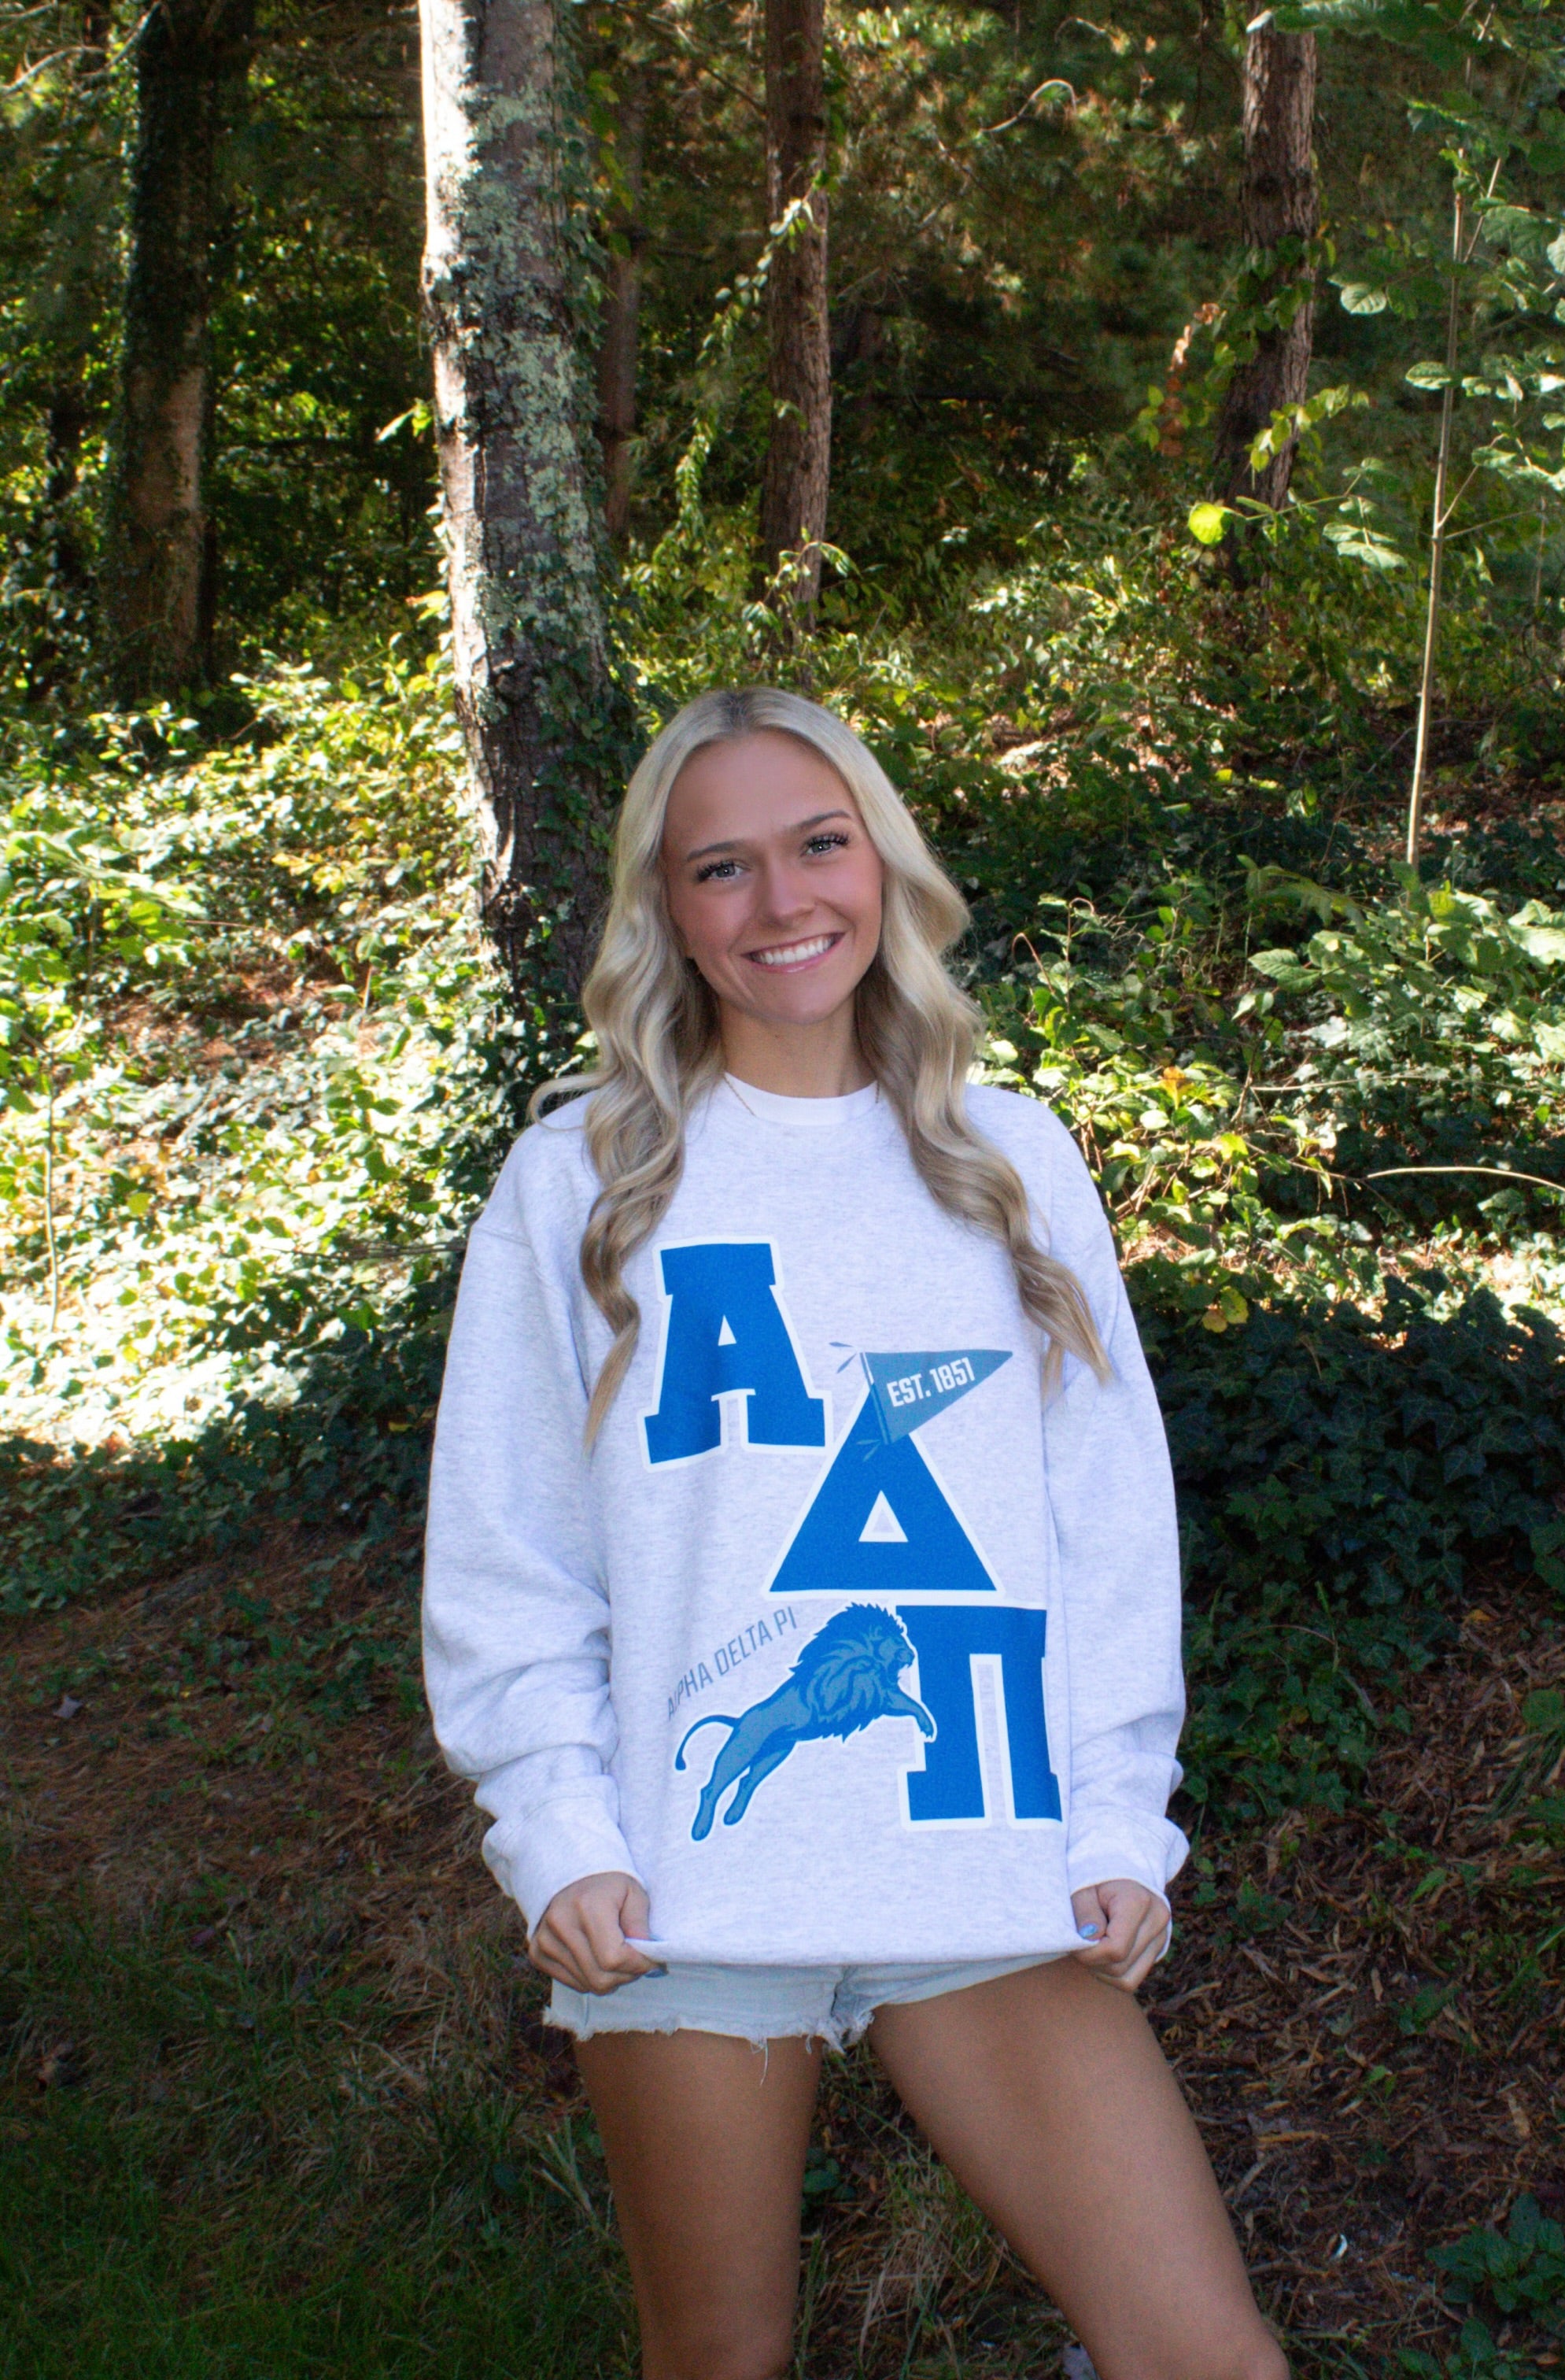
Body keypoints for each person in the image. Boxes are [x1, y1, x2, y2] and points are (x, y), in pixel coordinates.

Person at [423, 687, 1286, 2380]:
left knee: (1205, 2357)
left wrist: (1117, 1815)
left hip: (987, 1868)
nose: (782, 901)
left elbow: (1107, 1530)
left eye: (820, 844)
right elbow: (511, 1549)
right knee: (721, 2361)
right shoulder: (578, 1180)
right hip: (684, 1893)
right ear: (668, 909)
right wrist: (559, 1829)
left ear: (883, 863)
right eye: (721, 867)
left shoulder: (1011, 1160)